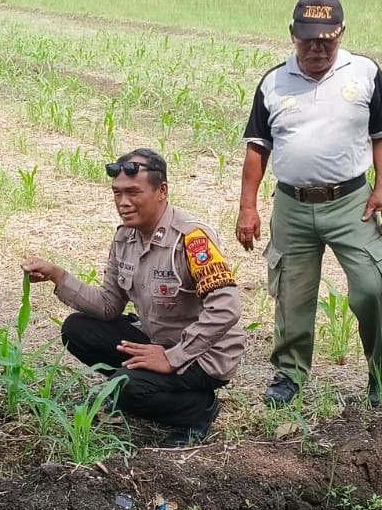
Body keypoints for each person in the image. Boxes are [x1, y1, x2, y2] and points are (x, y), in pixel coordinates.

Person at [237, 0, 382, 408]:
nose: (317, 49)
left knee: (375, 286)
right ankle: (289, 375)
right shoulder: (273, 82)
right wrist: (247, 206)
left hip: (352, 203)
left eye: (326, 40)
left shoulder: (364, 73)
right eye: (308, 39)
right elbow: (258, 148)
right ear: (292, 34)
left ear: (341, 33)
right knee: (291, 293)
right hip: (291, 206)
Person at [23, 149, 244, 445]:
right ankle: (152, 386)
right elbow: (108, 306)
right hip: (158, 342)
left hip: (203, 355)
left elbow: (227, 308)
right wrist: (58, 276)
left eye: (133, 192)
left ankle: (197, 409)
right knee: (77, 329)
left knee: (122, 388)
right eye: (117, 193)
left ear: (162, 191)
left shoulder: (192, 240)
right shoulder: (125, 238)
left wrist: (172, 358)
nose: (123, 203)